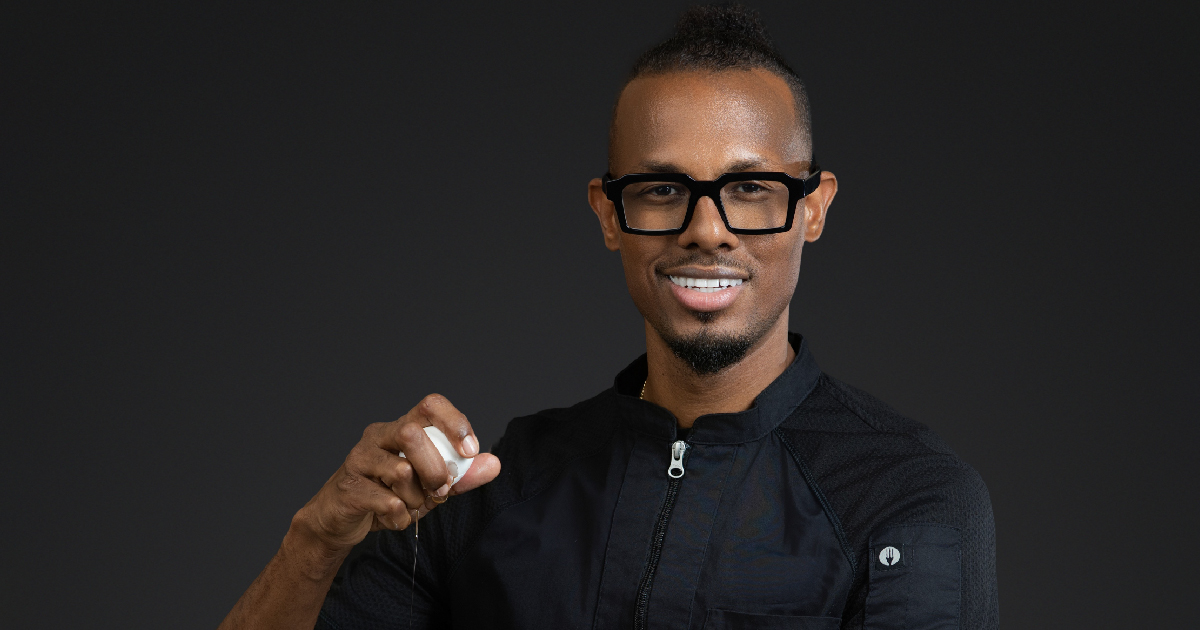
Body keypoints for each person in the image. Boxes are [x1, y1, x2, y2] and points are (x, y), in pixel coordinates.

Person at [220, 5, 998, 629]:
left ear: (813, 209)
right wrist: (316, 540)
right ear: (608, 213)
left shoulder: (904, 494)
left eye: (751, 188)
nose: (706, 228)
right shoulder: (490, 491)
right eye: (662, 190)